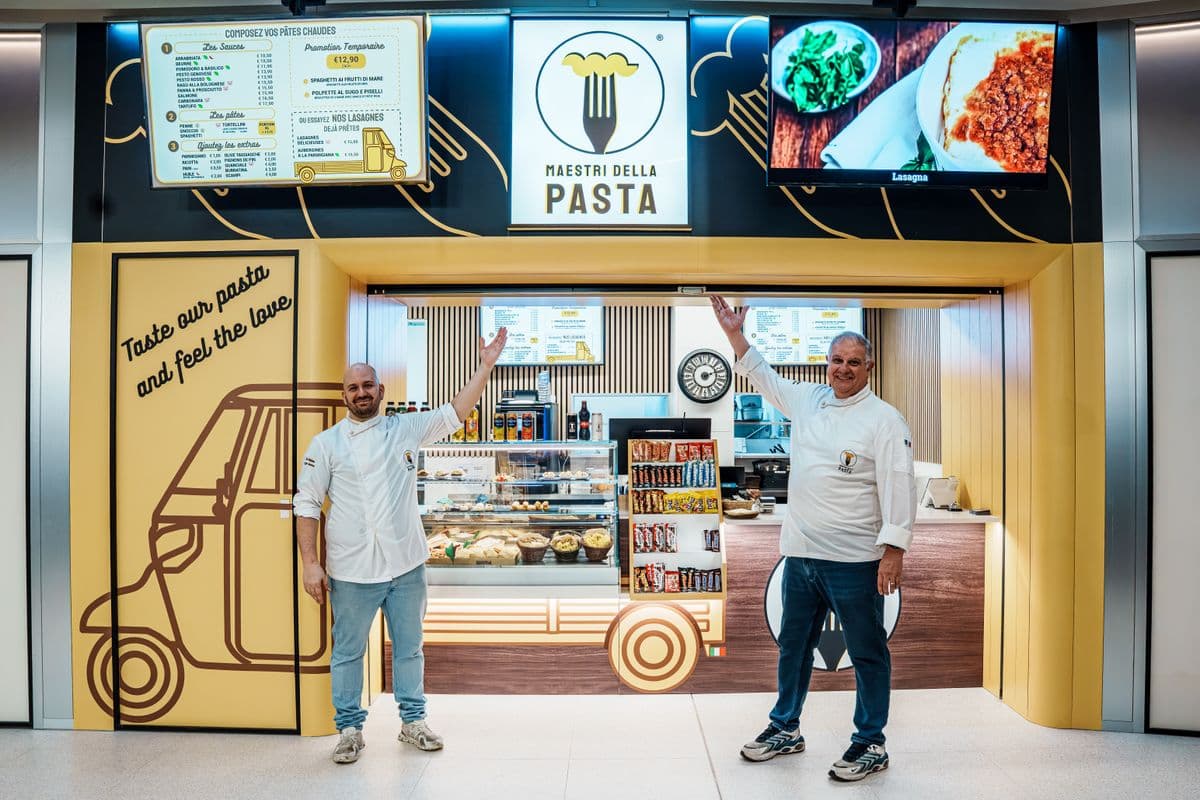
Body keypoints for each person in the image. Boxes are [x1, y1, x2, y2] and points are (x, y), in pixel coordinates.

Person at [709, 295, 916, 783]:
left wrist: (894, 552)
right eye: (836, 360)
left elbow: (899, 486)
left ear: (869, 367)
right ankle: (785, 728)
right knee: (794, 647)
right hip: (800, 554)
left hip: (854, 560)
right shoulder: (808, 400)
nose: (843, 369)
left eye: (853, 362)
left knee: (867, 652)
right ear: (827, 364)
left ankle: (870, 743)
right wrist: (734, 334)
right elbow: (762, 374)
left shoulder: (885, 420)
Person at [293, 328, 508, 764]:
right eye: (353, 388)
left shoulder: (405, 428)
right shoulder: (326, 444)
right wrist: (311, 564)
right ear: (344, 396)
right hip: (352, 570)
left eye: (367, 385)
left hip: (406, 565)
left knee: (410, 648)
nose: (361, 393)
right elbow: (307, 503)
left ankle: (413, 723)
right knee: (348, 652)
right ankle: (350, 730)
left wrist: (486, 366)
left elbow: (456, 412)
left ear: (380, 390)